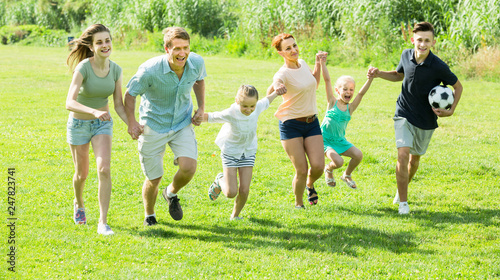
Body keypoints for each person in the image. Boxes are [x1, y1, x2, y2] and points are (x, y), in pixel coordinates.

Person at [368, 22, 463, 214]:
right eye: (419, 40)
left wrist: (451, 110)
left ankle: (401, 188)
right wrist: (379, 74)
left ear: (433, 42)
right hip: (403, 112)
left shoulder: (438, 66)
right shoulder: (405, 55)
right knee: (402, 154)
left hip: (426, 120)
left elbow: (458, 86)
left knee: (414, 160)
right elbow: (398, 75)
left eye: (427, 40)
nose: (422, 44)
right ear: (413, 40)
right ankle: (403, 203)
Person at [124, 27, 206, 226]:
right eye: (177, 48)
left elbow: (199, 81)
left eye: (185, 48)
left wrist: (201, 107)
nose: (182, 53)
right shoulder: (149, 70)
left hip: (181, 122)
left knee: (189, 167)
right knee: (154, 177)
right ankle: (149, 215)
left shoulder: (196, 62)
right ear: (166, 49)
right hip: (153, 125)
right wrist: (132, 122)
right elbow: (129, 94)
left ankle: (170, 193)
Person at [65, 24, 128, 235]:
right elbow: (69, 102)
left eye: (107, 40)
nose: (105, 45)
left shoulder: (116, 70)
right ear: (92, 47)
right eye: (99, 42)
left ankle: (103, 222)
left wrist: (133, 125)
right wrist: (93, 111)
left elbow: (118, 104)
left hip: (103, 124)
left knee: (104, 169)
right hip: (79, 124)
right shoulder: (83, 67)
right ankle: (79, 202)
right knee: (81, 174)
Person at [203, 85, 280, 220]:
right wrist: (197, 117)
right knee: (230, 192)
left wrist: (277, 92)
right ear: (237, 101)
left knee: (244, 190)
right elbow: (213, 116)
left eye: (252, 106)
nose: (249, 110)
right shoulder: (231, 113)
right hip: (231, 153)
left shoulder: (257, 108)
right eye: (245, 106)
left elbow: (267, 101)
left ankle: (235, 216)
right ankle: (220, 180)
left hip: (248, 151)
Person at [267, 33, 324, 208]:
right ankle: (299, 204)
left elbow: (314, 83)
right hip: (291, 124)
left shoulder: (304, 63)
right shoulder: (282, 73)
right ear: (281, 53)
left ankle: (309, 184)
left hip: (311, 121)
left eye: (294, 45)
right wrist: (277, 86)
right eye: (288, 48)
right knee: (301, 169)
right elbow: (276, 83)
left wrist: (318, 63)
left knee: (318, 166)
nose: (293, 50)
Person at [319, 54, 374, 189]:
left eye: (351, 89)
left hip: (340, 140)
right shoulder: (332, 102)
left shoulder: (351, 108)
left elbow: (361, 94)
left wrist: (370, 79)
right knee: (338, 161)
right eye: (345, 89)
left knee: (358, 155)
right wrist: (322, 63)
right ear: (338, 90)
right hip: (325, 141)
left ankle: (347, 175)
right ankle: (329, 170)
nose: (348, 92)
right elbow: (327, 81)